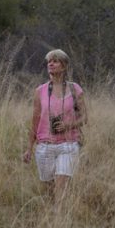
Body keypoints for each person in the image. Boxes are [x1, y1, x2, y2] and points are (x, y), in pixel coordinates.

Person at [22, 49, 87, 196]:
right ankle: (51, 216)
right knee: (49, 189)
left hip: (68, 145)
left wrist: (68, 125)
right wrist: (29, 148)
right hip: (45, 146)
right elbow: (35, 120)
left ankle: (60, 217)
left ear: (64, 66)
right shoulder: (40, 91)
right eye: (49, 61)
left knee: (61, 187)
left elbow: (84, 118)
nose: (51, 64)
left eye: (55, 61)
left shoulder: (75, 88)